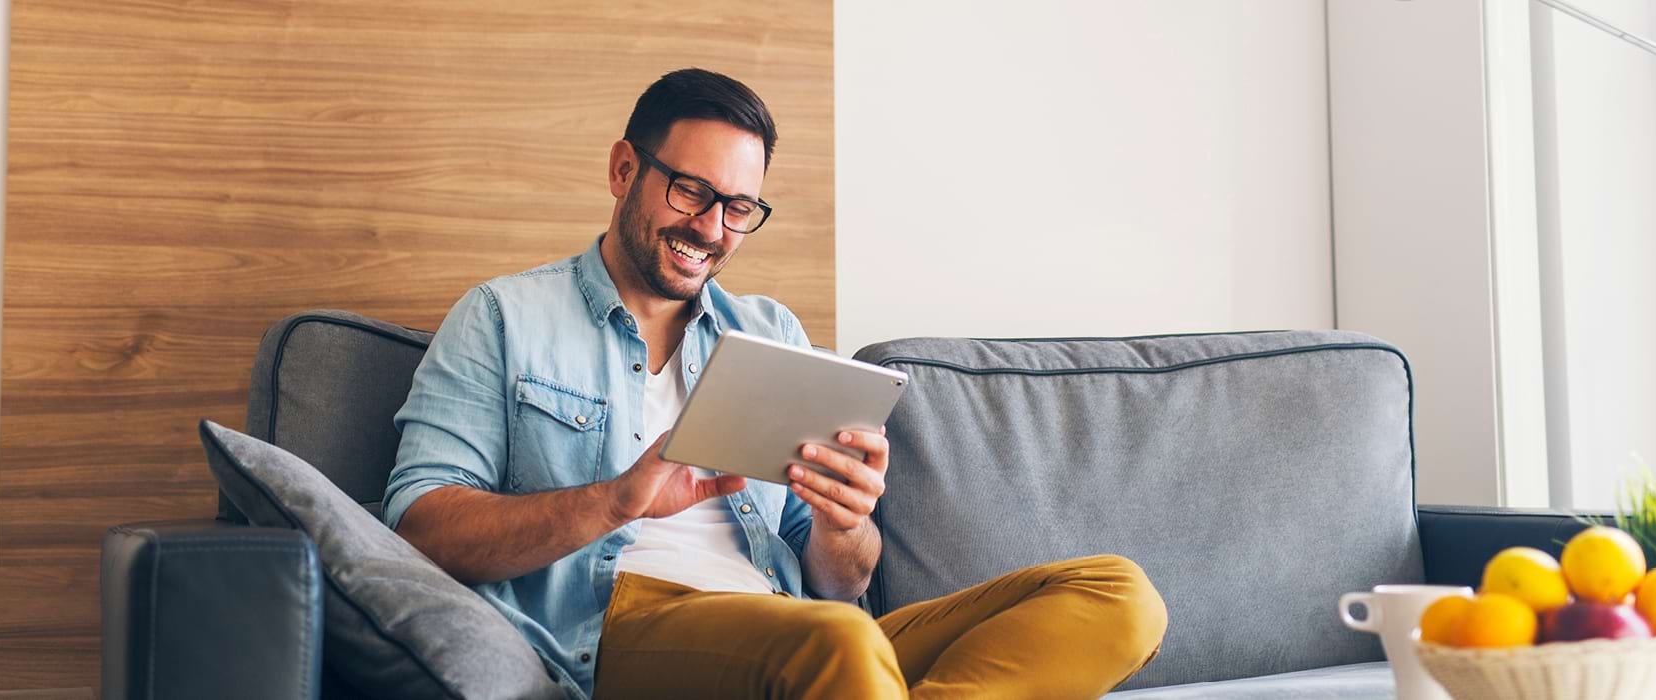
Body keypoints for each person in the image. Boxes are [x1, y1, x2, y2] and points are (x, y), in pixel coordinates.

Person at [384, 67, 1166, 699]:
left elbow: (837, 582)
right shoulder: (504, 317)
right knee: (840, 643)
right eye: (691, 192)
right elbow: (421, 528)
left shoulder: (768, 334)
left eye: (740, 207)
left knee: (1117, 594)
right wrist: (616, 500)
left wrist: (843, 526)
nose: (712, 229)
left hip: (794, 625)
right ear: (624, 169)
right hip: (613, 630)